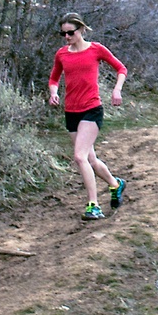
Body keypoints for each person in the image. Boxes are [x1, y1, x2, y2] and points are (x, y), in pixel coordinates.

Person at [47, 14, 128, 220]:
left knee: (79, 157)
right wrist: (53, 92)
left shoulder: (96, 49)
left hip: (92, 109)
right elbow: (54, 78)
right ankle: (115, 184)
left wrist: (117, 90)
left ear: (81, 30)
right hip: (71, 111)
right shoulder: (62, 54)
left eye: (70, 33)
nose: (66, 37)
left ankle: (93, 205)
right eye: (63, 33)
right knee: (90, 159)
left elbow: (121, 69)